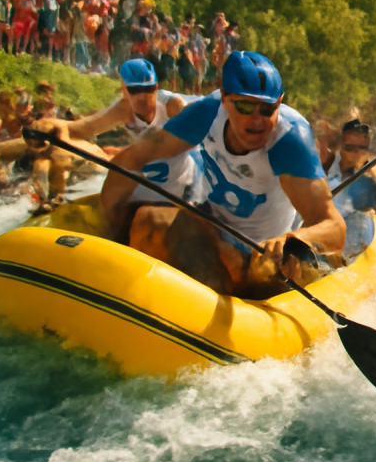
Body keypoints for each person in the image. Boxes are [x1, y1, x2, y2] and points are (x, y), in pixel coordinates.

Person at [100, 52, 345, 298]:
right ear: (225, 99)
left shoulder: (290, 140)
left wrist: (292, 239)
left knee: (266, 271)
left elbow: (334, 228)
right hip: (213, 229)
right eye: (246, 106)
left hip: (263, 257)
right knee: (150, 220)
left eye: (267, 109)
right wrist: (111, 229)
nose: (257, 120)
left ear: (279, 103)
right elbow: (131, 159)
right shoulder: (207, 112)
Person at [66, 59, 202, 205]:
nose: (142, 96)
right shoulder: (121, 110)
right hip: (156, 168)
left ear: (156, 87)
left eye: (148, 89)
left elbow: (200, 138)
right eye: (134, 90)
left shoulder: (172, 105)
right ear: (124, 89)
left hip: (191, 166)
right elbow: (85, 128)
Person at [318, 118, 376, 260]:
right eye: (349, 148)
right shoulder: (325, 165)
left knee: (359, 219)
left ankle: (339, 257)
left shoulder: (371, 167)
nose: (356, 153)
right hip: (323, 224)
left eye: (362, 148)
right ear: (340, 147)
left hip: (352, 223)